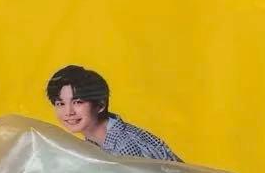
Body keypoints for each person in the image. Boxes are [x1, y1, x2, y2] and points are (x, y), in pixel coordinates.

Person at [45, 66, 181, 162]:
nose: (68, 112)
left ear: (100, 105)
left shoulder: (123, 146)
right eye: (60, 103)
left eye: (78, 102)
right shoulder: (96, 141)